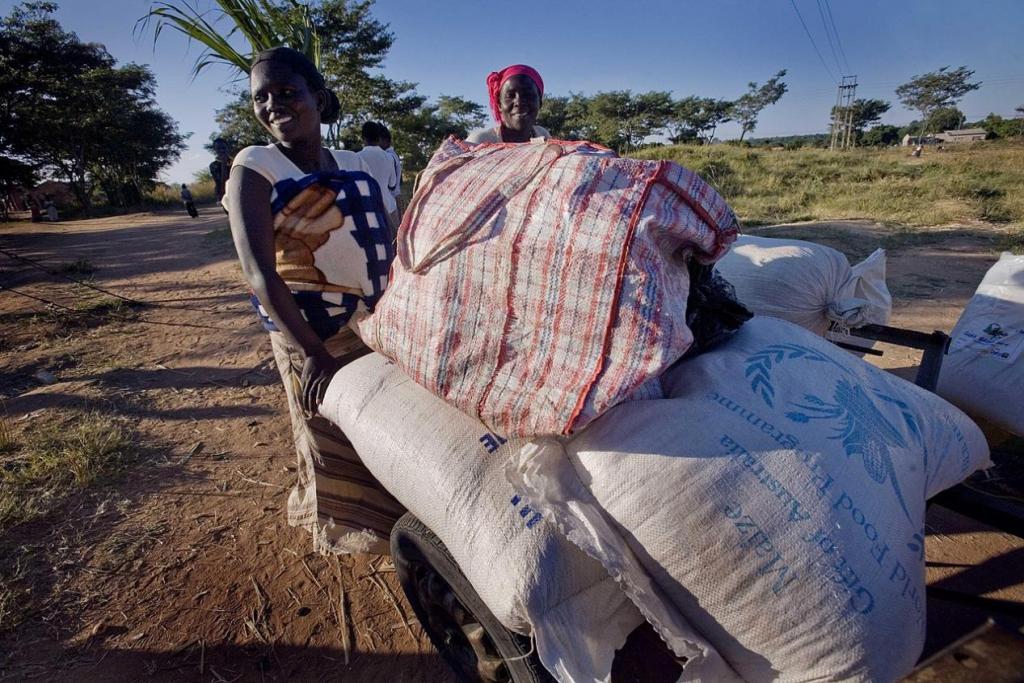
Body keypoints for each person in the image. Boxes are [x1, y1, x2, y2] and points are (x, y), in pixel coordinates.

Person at [224, 46, 403, 556]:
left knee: (380, 427)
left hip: (370, 329)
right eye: (261, 97)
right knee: (327, 434)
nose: (273, 105)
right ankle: (352, 529)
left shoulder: (355, 163)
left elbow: (387, 239)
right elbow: (259, 272)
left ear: (318, 100)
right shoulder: (255, 165)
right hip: (308, 336)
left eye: (287, 92)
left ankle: (398, 522)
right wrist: (313, 353)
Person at [466, 64, 549, 143]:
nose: (519, 102)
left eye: (527, 95)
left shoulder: (542, 135)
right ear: (499, 104)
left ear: (540, 102)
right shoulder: (479, 142)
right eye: (510, 96)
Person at [355, 121, 399, 229]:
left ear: (363, 138)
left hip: (367, 211)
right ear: (379, 138)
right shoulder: (389, 157)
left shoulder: (356, 157)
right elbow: (392, 184)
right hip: (389, 208)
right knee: (395, 238)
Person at [379, 125, 402, 204]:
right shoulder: (391, 155)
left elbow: (392, 185)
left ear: (385, 141)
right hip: (393, 199)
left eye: (378, 140)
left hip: (391, 201)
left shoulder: (389, 157)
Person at [209, 137, 232, 203]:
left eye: (224, 148)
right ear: (215, 150)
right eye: (218, 148)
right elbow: (221, 181)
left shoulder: (235, 162)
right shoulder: (213, 165)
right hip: (223, 194)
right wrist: (223, 163)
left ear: (228, 148)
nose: (222, 150)